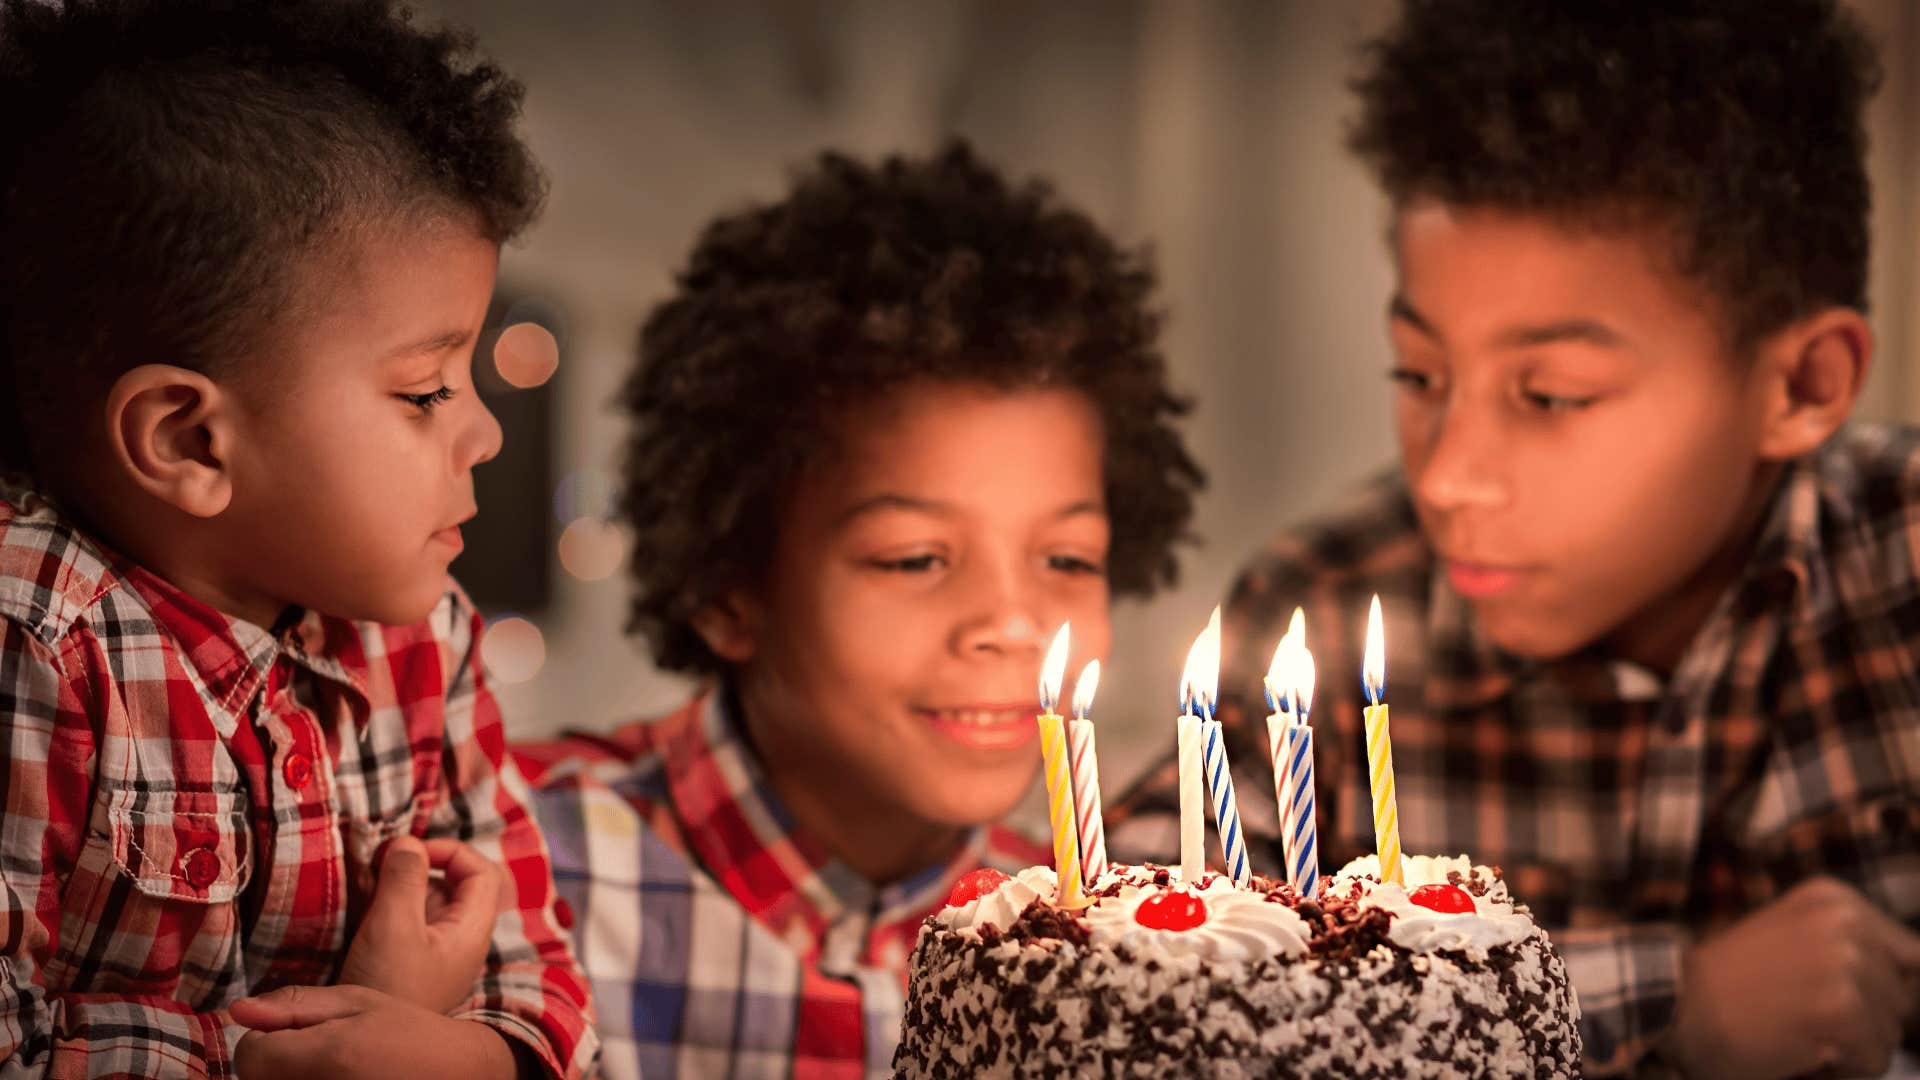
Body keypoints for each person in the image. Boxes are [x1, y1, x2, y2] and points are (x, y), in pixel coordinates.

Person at [1103, 2, 1919, 1076]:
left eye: (1549, 394)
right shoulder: (1330, 614)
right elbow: (1125, 1002)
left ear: (1802, 384)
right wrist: (1668, 996)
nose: (1447, 476)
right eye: (1419, 376)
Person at [514, 142, 1203, 1078]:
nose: (1011, 621)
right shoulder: (518, 868)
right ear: (728, 586)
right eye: (916, 558)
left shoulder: (1094, 931)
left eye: (1067, 557)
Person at [0, 1, 595, 1075]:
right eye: (424, 390)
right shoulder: (33, 646)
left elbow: (528, 952)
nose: (486, 428)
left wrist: (471, 1058)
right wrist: (294, 1055)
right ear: (189, 438)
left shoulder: (424, 635)